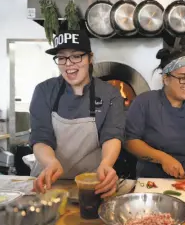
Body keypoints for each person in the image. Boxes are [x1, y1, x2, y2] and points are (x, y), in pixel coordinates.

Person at [29, 30, 125, 197]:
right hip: (49, 182)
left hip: (92, 183)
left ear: (90, 58)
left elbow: (112, 135)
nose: (68, 64)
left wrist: (107, 163)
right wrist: (50, 162)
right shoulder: (44, 91)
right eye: (61, 57)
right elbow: (40, 137)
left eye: (76, 56)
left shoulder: (110, 93)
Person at [125, 49, 185, 181]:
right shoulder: (144, 102)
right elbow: (130, 141)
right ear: (166, 79)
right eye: (182, 78)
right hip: (150, 183)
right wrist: (163, 158)